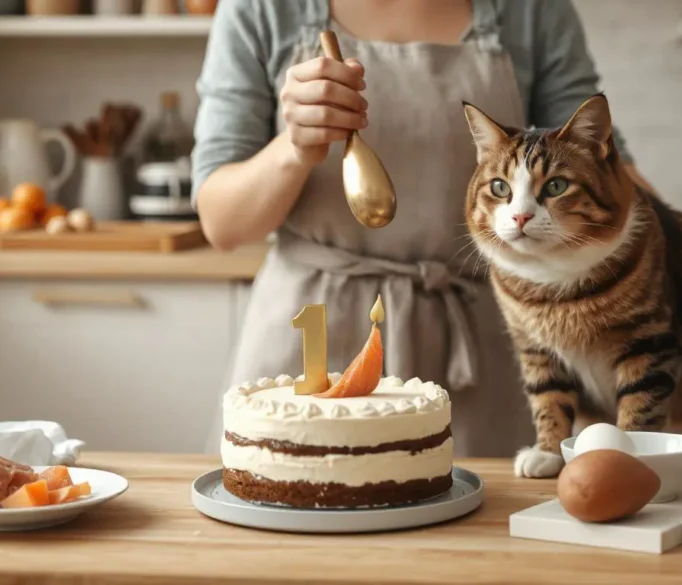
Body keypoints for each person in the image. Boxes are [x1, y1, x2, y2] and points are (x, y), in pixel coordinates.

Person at [192, 0, 651, 457]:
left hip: (486, 352)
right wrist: (294, 148)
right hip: (312, 346)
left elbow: (606, 175)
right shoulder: (260, 8)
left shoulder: (533, 10)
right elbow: (222, 225)